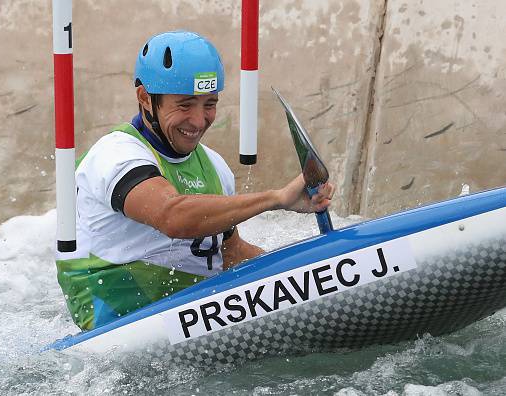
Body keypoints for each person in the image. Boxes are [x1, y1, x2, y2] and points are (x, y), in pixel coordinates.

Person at [55, 30, 335, 331]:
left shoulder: (215, 167)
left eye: (209, 104)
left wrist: (312, 273)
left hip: (190, 321)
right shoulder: (115, 155)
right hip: (115, 333)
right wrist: (276, 199)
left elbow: (231, 255)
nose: (199, 120)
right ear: (146, 99)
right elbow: (173, 216)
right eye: (185, 105)